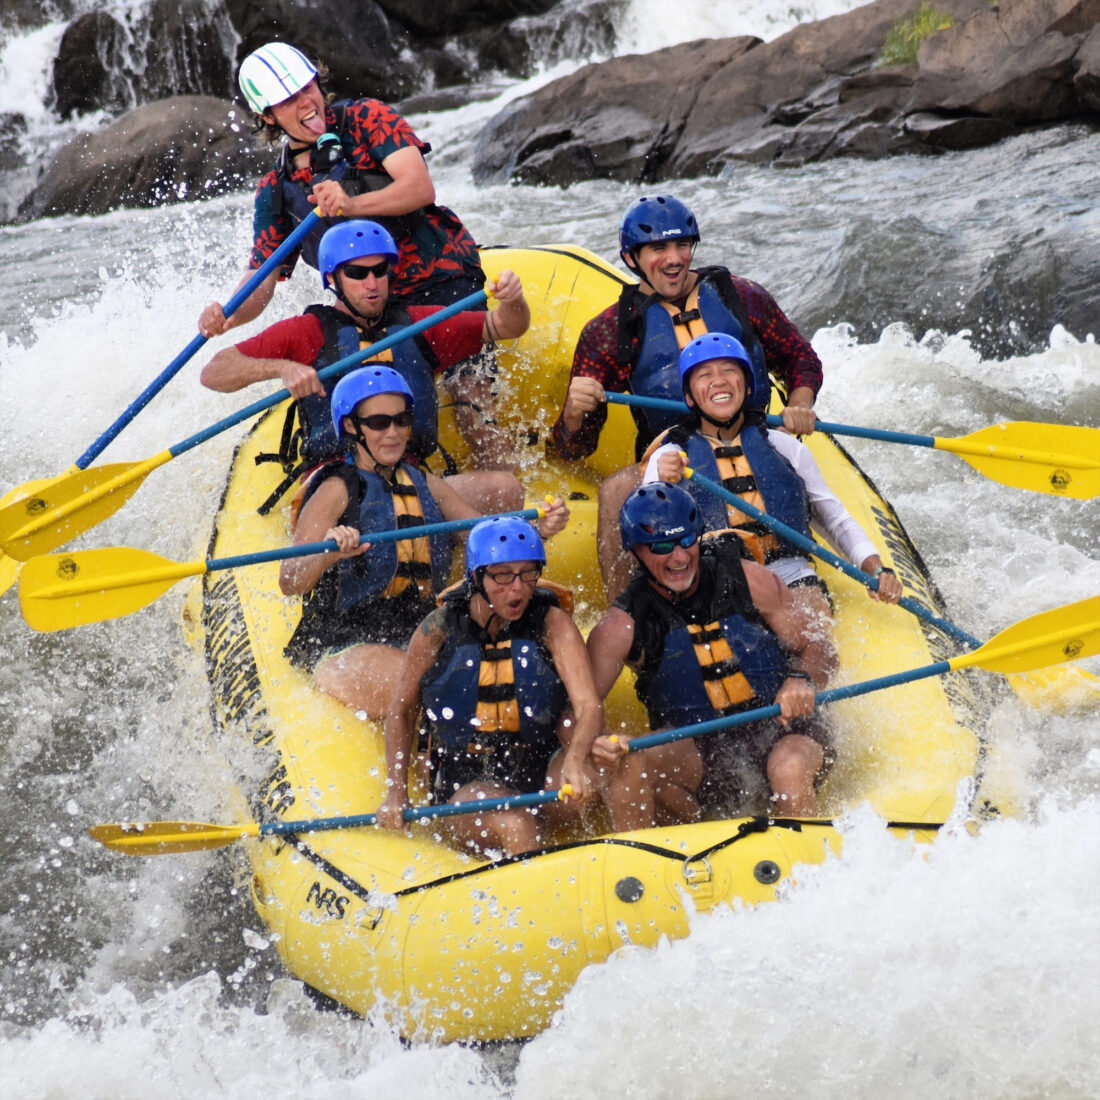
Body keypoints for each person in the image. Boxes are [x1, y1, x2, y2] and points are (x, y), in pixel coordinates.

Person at [548, 193, 824, 598]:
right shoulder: (611, 331)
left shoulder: (742, 297)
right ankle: (627, 611)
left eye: (682, 245)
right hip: (671, 453)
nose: (674, 258)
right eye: (659, 248)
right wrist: (573, 413)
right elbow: (574, 447)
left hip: (753, 435)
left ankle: (797, 568)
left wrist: (800, 403)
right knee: (614, 490)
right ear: (632, 258)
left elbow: (800, 358)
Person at [278, 366, 568, 720]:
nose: (394, 433)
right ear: (352, 427)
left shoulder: (423, 482)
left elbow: (482, 536)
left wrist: (541, 533)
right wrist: (328, 553)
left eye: (402, 420)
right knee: (432, 692)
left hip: (416, 629)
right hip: (343, 640)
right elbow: (289, 580)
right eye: (379, 423)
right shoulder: (336, 489)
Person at [201, 219, 528, 511]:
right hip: (336, 483)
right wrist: (282, 369)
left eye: (379, 271)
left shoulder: (417, 324)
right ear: (333, 278)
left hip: (411, 476)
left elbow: (508, 325)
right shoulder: (307, 331)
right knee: (362, 507)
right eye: (357, 273)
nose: (371, 283)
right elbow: (214, 372)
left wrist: (513, 299)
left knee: (506, 489)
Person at [586, 483, 838, 823]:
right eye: (661, 546)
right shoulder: (620, 627)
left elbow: (820, 647)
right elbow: (578, 708)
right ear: (636, 553)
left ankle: (809, 865)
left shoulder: (751, 581)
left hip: (784, 730)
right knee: (629, 759)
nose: (679, 557)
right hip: (702, 752)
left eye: (687, 540)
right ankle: (640, 867)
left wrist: (802, 679)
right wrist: (597, 744)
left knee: (790, 771)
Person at [198, 41, 484, 337]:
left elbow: (420, 188)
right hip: (366, 312)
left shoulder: (367, 119)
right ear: (268, 117)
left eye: (307, 88)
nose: (306, 102)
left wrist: (353, 205)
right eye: (289, 100)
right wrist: (229, 314)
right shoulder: (276, 189)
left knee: (466, 382)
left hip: (439, 280)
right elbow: (262, 276)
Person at [642, 332, 904, 626]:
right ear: (689, 396)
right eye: (704, 375)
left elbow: (835, 519)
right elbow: (647, 534)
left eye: (729, 370)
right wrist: (663, 488)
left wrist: (875, 568)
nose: (718, 380)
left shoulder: (784, 447)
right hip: (712, 576)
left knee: (811, 631)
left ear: (747, 384)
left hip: (790, 572)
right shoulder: (670, 457)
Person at [378, 517, 602, 857]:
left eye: (528, 573)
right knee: (516, 823)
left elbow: (588, 705)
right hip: (467, 777)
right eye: (502, 575)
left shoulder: (552, 622)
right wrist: (397, 792)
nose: (518, 588)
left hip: (538, 763)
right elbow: (401, 709)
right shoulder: (438, 629)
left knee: (607, 769)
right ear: (476, 577)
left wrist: (575, 758)